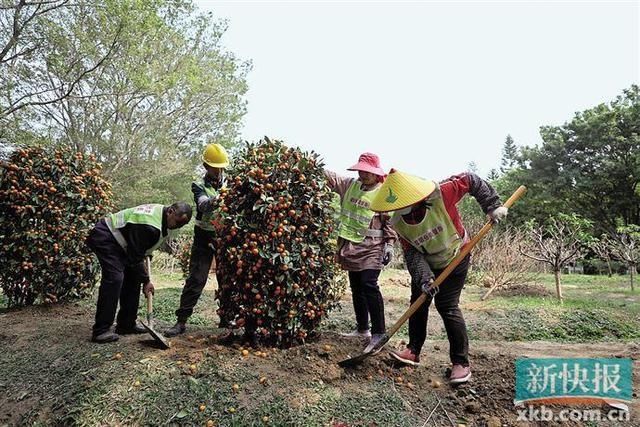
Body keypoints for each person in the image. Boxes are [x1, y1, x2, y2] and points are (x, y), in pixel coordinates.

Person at [370, 169, 508, 384]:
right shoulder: (398, 222)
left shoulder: (442, 194)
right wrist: (425, 279)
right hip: (427, 262)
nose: (400, 210)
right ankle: (413, 350)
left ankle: (460, 363)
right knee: (419, 301)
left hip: (456, 255)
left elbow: (470, 179)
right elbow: (412, 253)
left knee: (447, 306)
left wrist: (492, 206)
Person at [87, 202, 192, 343]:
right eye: (178, 222)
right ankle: (101, 330)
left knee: (132, 278)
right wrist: (146, 280)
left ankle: (126, 324)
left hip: (123, 243)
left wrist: (142, 272)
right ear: (170, 212)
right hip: (107, 236)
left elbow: (140, 250)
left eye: (181, 226)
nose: (177, 227)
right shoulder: (149, 224)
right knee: (115, 278)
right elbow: (135, 257)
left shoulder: (160, 219)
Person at [324, 153, 397, 349]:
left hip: (372, 246)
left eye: (368, 172)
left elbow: (389, 222)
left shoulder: (383, 193)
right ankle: (362, 328)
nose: (363, 174)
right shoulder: (350, 186)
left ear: (376, 174)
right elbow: (330, 177)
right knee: (356, 286)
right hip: (351, 245)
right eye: (361, 171)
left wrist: (389, 244)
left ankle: (379, 333)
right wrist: (306, 163)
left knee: (369, 284)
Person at [165, 143, 229, 337]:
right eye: (214, 167)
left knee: (227, 280)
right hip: (203, 235)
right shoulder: (199, 185)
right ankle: (181, 322)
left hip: (225, 236)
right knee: (196, 278)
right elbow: (202, 206)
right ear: (206, 166)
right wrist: (221, 197)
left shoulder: (232, 182)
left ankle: (227, 320)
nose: (218, 171)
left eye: (221, 167)